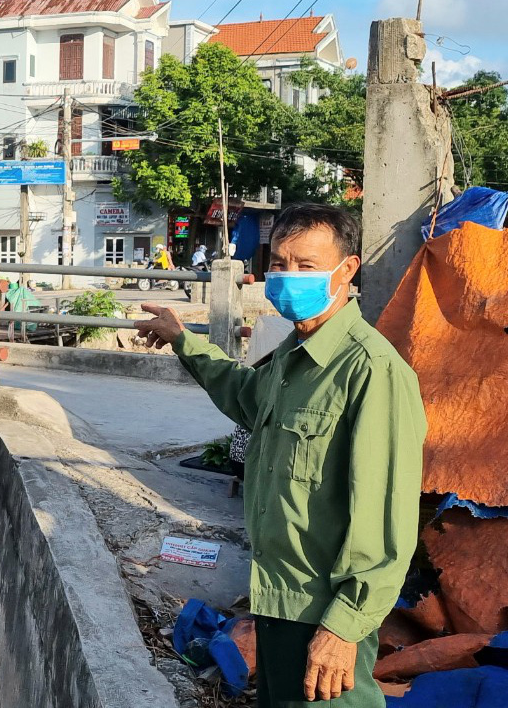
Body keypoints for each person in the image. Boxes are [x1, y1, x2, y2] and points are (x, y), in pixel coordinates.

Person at [136, 203, 426, 707]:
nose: (289, 277)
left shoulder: (371, 371)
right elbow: (247, 396)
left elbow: (385, 522)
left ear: (348, 270)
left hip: (325, 616)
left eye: (307, 266)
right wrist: (185, 341)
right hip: (276, 600)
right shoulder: (294, 356)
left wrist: (343, 629)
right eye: (280, 263)